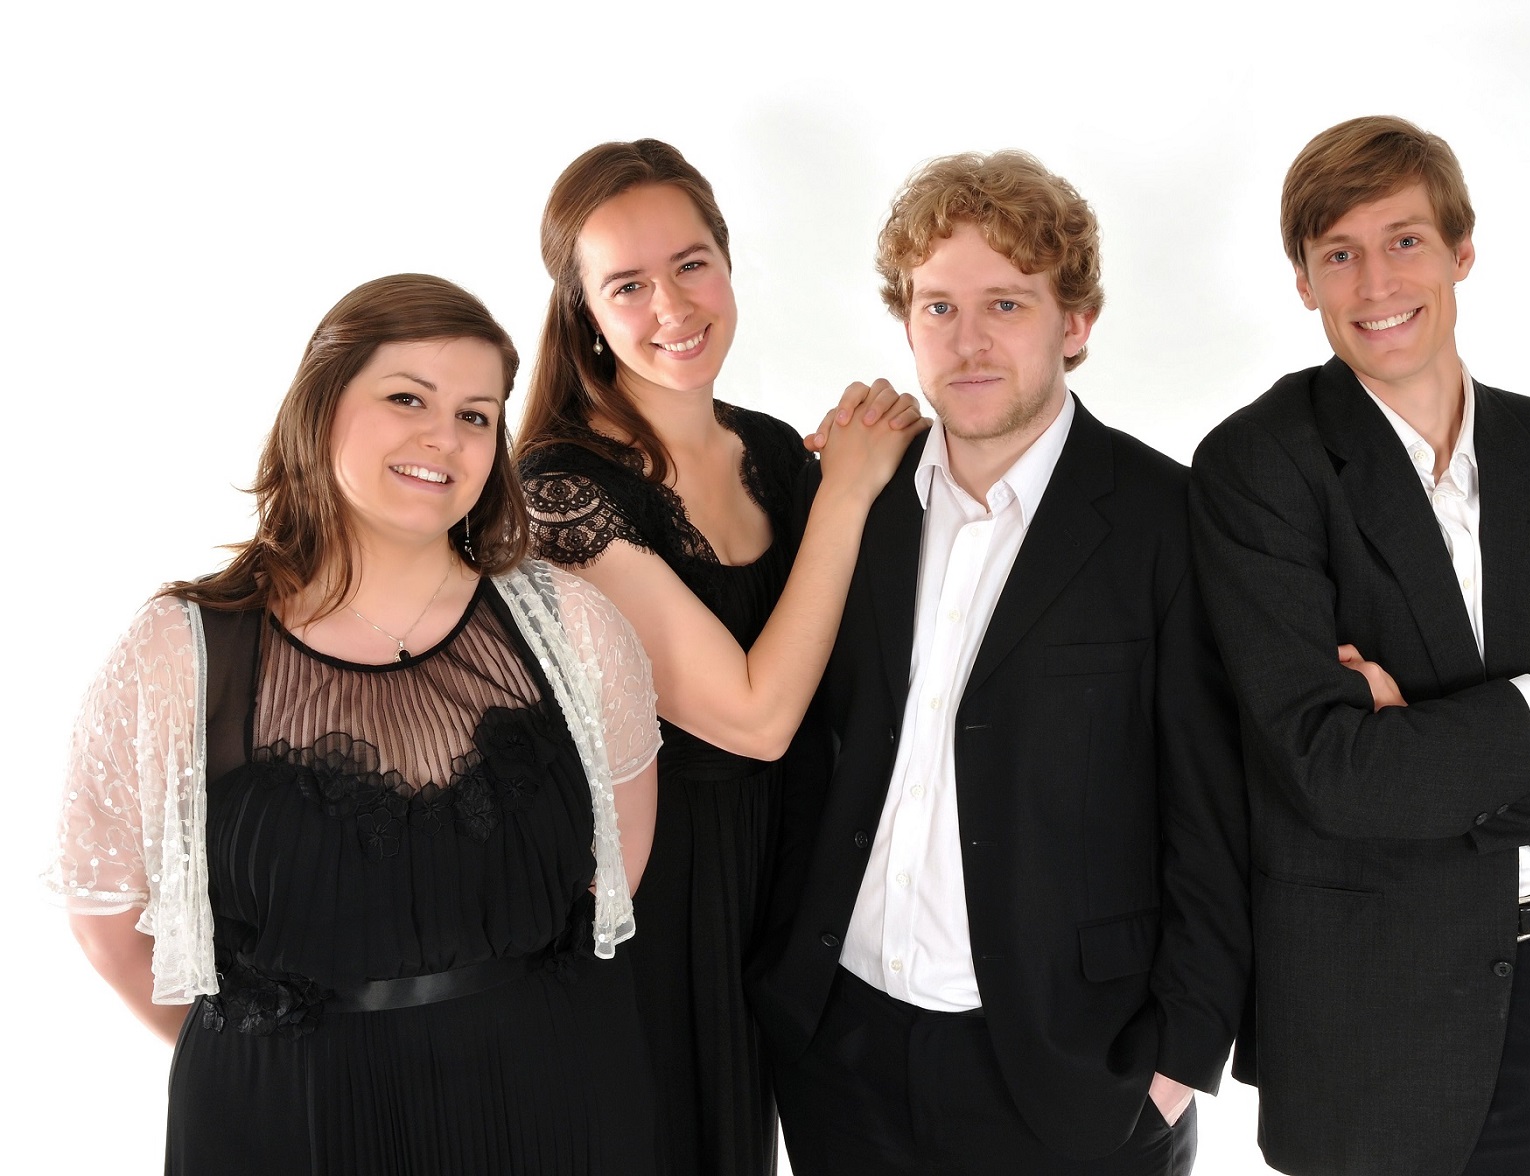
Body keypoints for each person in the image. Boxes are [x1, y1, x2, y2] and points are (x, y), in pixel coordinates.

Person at [1191, 116, 1530, 1176]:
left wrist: (1421, 753)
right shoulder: (1256, 470)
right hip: (1382, 1028)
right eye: (1338, 254)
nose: (1375, 282)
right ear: (1303, 281)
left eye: (1404, 241)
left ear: (1460, 252)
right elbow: (1337, 777)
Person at [48, 274, 665, 1174]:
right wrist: (274, 1067)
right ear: (322, 404)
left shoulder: (572, 627)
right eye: (407, 398)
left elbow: (617, 871)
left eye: (476, 415)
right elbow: (107, 919)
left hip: (546, 1103)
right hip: (284, 1124)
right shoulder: (179, 650)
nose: (442, 437)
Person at [750, 150, 1251, 1176]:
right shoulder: (849, 500)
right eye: (937, 307)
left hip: (1075, 1071)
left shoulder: (1169, 522)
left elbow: (1217, 811)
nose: (966, 341)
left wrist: (1176, 1065)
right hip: (841, 1054)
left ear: (1076, 324)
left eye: (1006, 305)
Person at [515, 139, 925, 1175]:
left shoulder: (773, 452)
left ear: (729, 263)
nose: (672, 306)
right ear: (584, 312)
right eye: (628, 285)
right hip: (655, 919)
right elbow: (755, 717)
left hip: (787, 900)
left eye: (691, 264)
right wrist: (849, 491)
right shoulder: (562, 495)